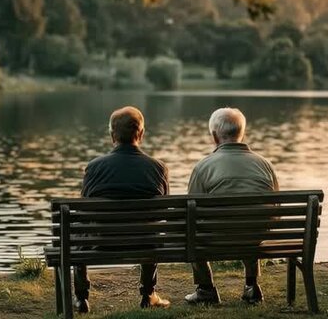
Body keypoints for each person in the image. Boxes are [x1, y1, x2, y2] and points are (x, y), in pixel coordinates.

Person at [73, 106, 171, 313]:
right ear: (141, 134)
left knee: (78, 228)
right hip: (144, 243)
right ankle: (148, 293)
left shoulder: (94, 167)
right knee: (150, 227)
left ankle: (81, 298)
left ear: (112, 135)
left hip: (100, 242)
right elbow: (163, 212)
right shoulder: (158, 168)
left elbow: (84, 211)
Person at [184, 107, 279, 305]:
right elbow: (275, 211)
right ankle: (251, 286)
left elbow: (191, 212)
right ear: (241, 133)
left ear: (214, 136)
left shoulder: (203, 167)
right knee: (252, 220)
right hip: (256, 236)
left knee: (191, 229)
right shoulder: (265, 165)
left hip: (218, 237)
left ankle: (206, 289)